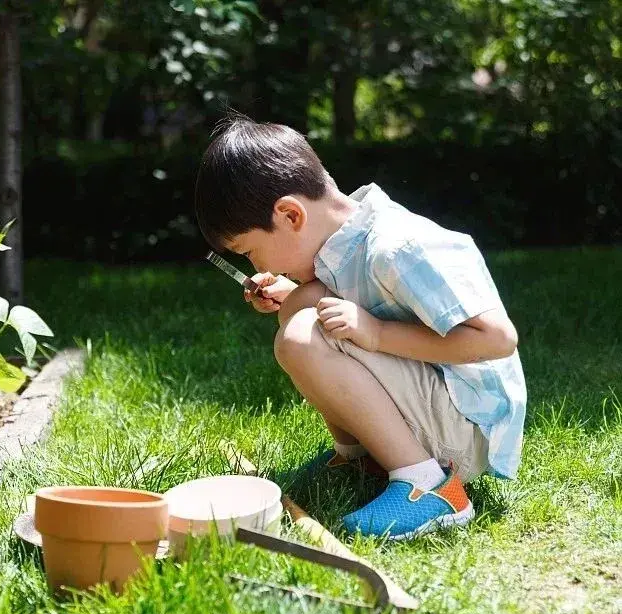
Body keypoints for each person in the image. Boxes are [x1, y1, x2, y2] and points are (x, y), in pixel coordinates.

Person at [194, 115, 526, 540]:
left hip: (468, 424)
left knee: (302, 335)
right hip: (438, 406)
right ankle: (360, 459)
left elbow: (497, 338)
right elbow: (333, 296)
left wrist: (377, 334)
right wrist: (290, 292)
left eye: (253, 253)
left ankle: (431, 486)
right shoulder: (344, 242)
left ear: (290, 214)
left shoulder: (397, 247)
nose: (257, 267)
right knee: (301, 310)